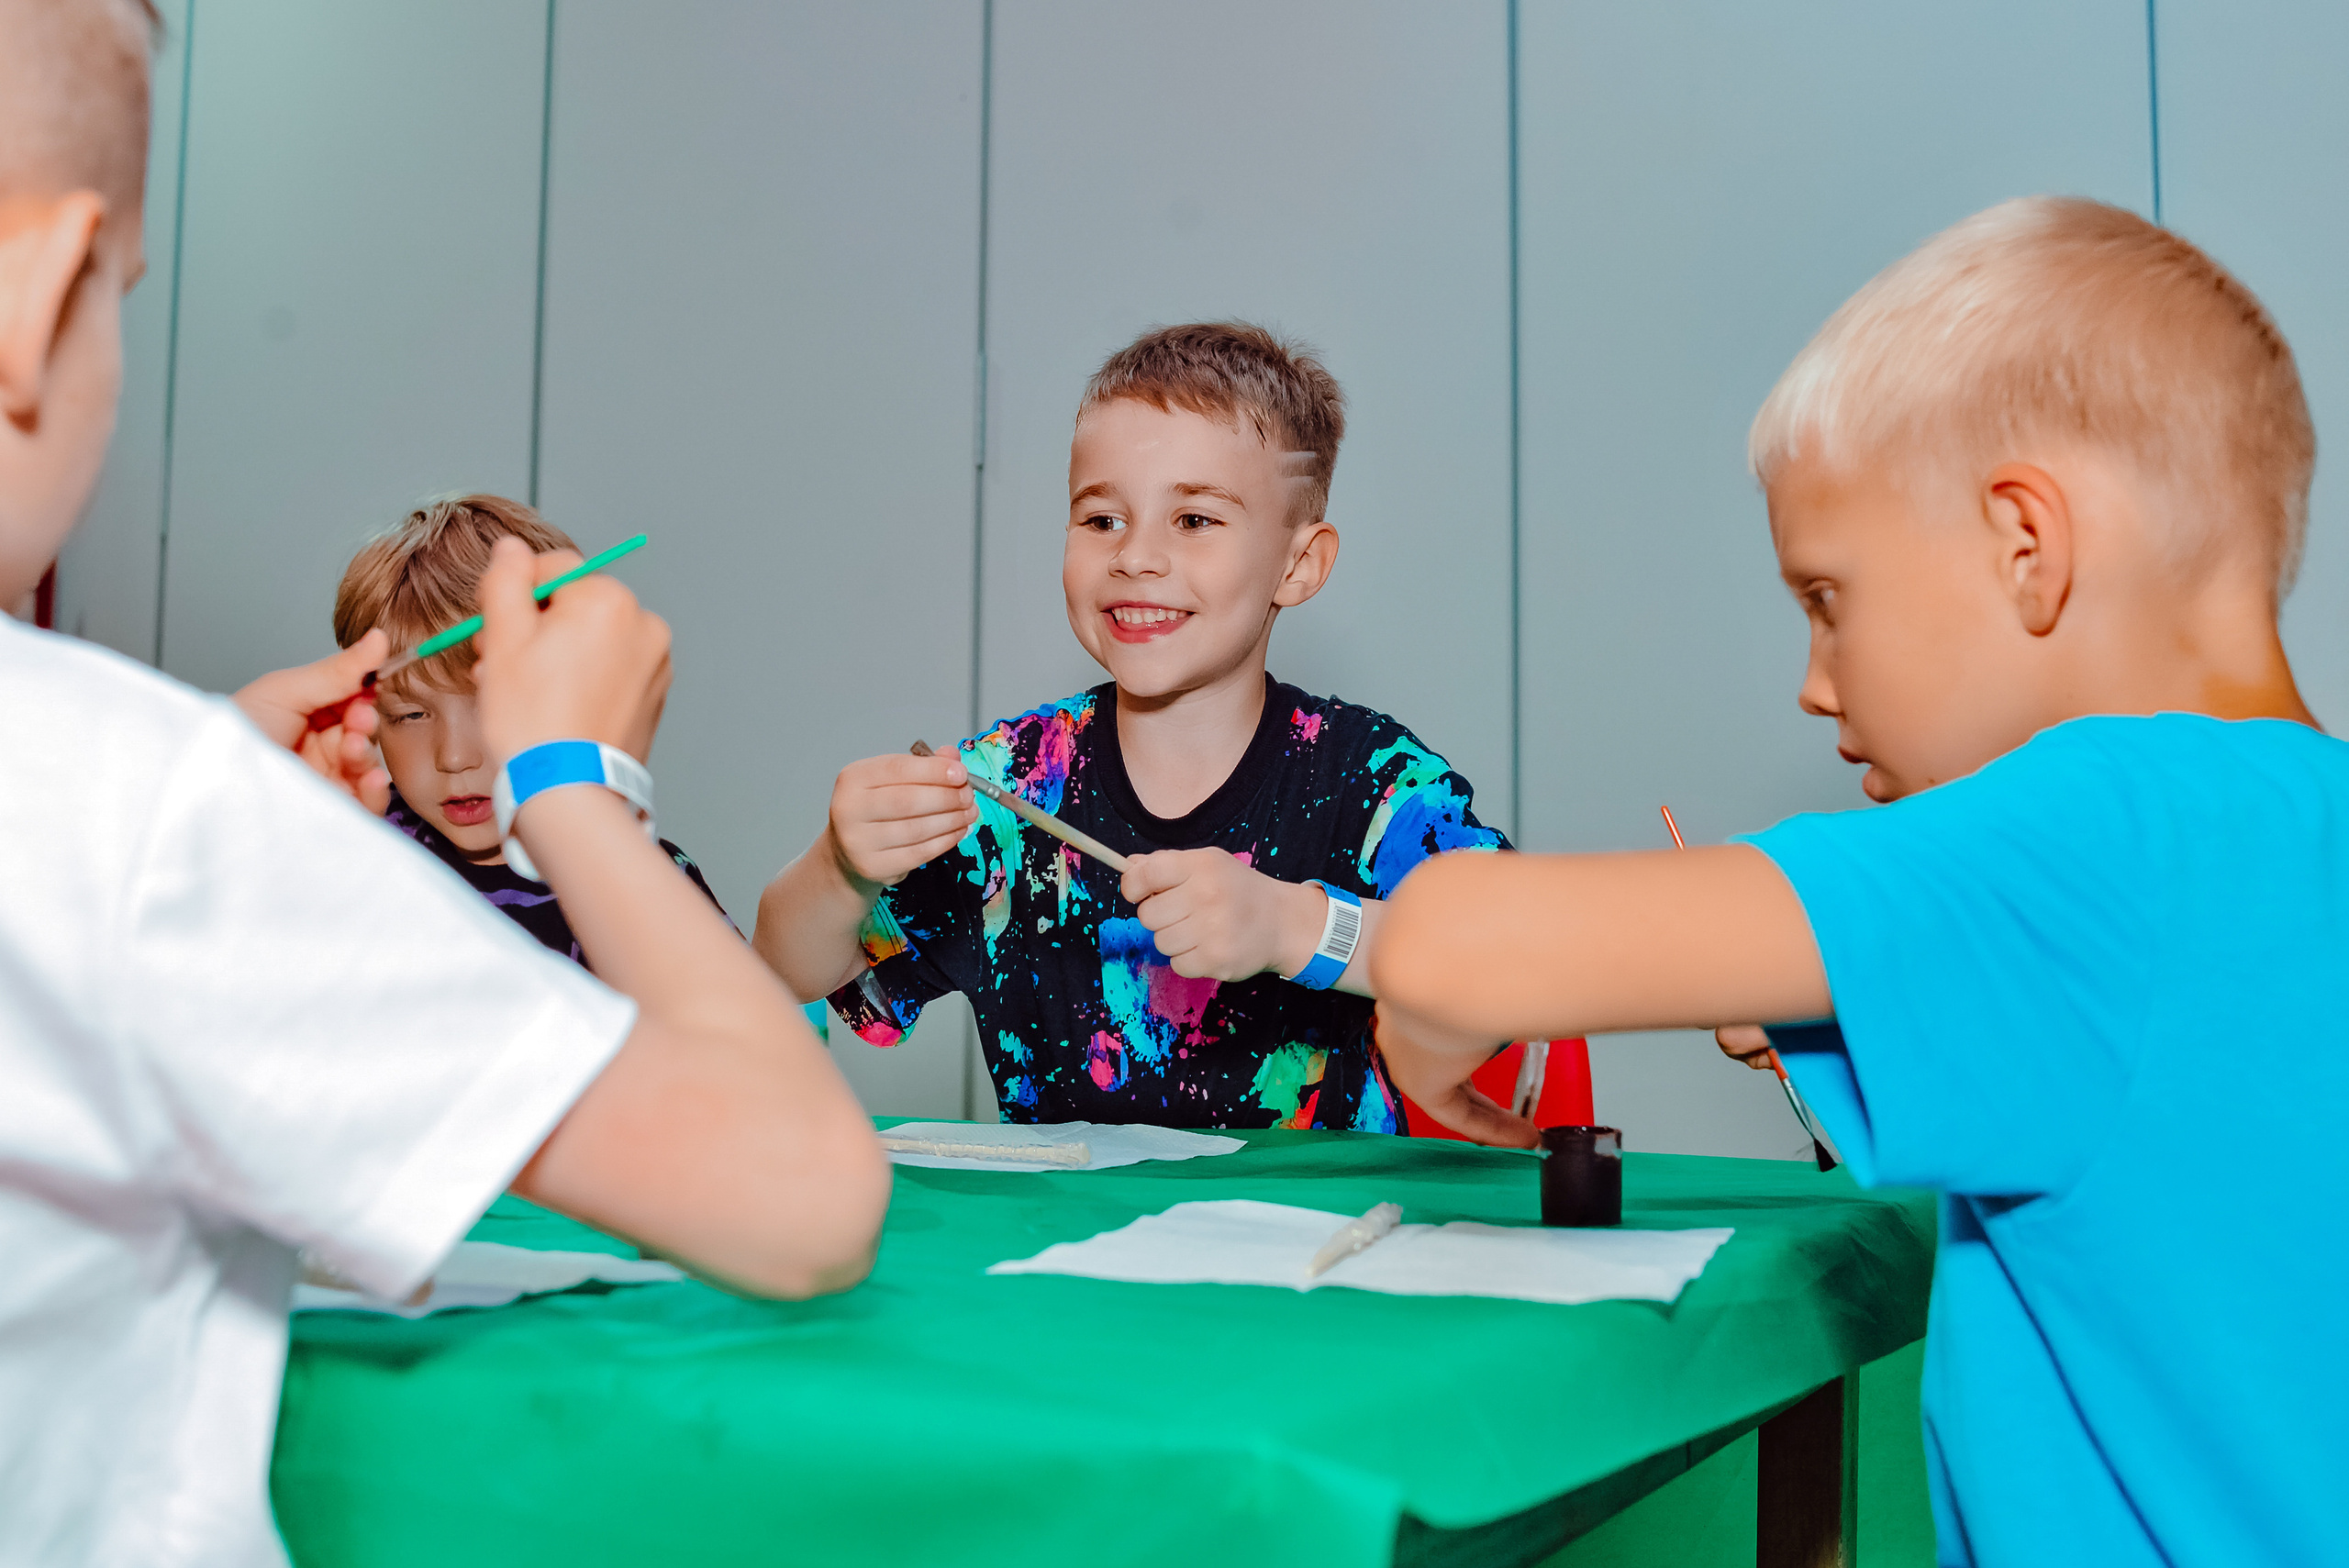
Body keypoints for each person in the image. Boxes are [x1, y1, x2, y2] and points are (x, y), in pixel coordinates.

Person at [0, 4, 887, 1562]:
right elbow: (802, 1195)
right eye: (123, 294)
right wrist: (576, 780)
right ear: (42, 288)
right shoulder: (132, 809)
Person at [1371, 197, 2345, 1567]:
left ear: (2028, 545)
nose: (1815, 680)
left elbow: (1444, 950)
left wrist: (1423, 1045)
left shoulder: (2095, 823)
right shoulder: (2295, 825)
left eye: (1828, 597)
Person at [754, 322, 1508, 1130]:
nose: (1136, 556)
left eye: (1194, 521)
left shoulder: (1372, 782)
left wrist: (1294, 926)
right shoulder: (1010, 790)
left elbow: (1514, 965)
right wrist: (838, 867)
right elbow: (781, 973)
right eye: (1102, 519)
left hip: (1312, 1249)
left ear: (1299, 565)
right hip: (1063, 1248)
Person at [333, 493, 733, 962]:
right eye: (410, 715)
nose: (455, 757)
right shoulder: (345, 857)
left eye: (488, 704)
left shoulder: (645, 886)